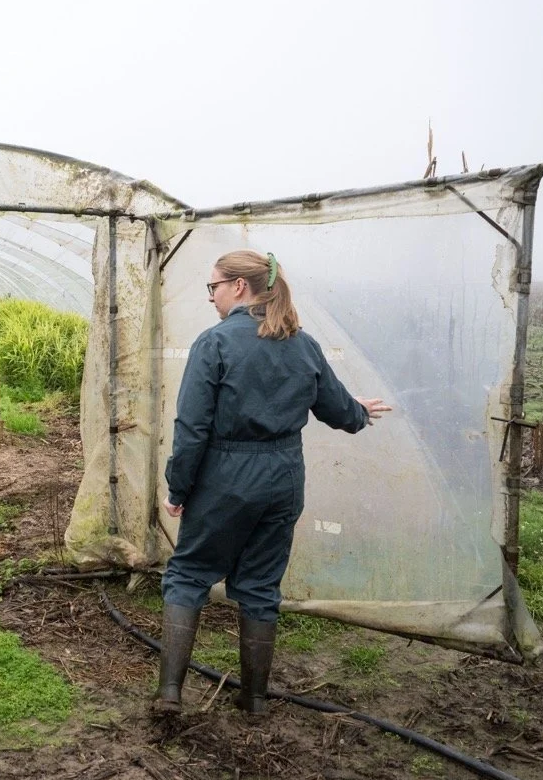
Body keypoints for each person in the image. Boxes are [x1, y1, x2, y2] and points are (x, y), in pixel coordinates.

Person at [152, 249, 391, 716]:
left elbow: (193, 428)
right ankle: (255, 701)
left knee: (188, 574)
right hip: (283, 479)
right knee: (260, 585)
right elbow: (339, 411)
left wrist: (178, 490)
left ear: (239, 287)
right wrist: (360, 411)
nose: (211, 297)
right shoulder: (302, 344)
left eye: (213, 286)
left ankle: (169, 694)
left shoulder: (215, 343)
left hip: (227, 477)